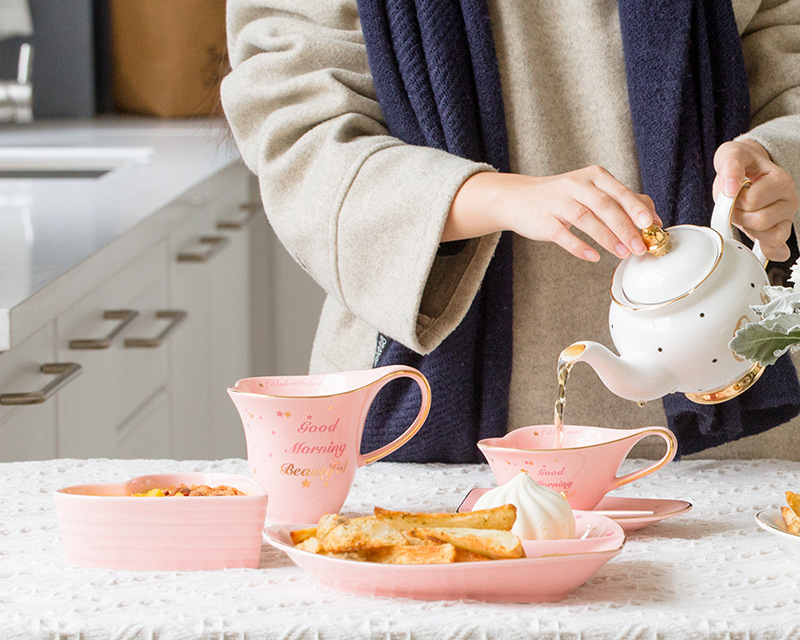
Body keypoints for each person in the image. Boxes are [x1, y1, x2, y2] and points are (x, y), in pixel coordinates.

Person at [221, 0, 800, 461]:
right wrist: (494, 196)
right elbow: (298, 129)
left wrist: (779, 165)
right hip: (426, 416)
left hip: (734, 418)